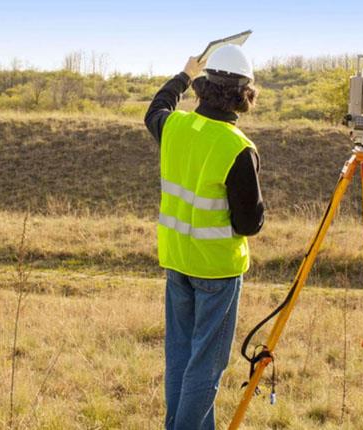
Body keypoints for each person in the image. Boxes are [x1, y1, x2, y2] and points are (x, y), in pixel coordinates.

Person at [144, 45, 264, 430]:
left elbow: (156, 108)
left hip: (177, 260)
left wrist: (183, 74)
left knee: (181, 357)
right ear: (245, 95)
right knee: (206, 367)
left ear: (202, 87)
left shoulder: (175, 127)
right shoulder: (237, 147)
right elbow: (248, 223)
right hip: (216, 270)